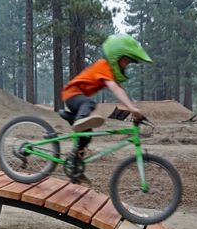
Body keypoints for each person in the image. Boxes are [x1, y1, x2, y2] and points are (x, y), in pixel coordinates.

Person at [58, 33, 154, 183]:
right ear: (117, 57)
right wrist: (132, 108)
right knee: (89, 104)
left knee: (86, 136)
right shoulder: (103, 65)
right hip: (71, 95)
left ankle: (75, 166)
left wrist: (133, 110)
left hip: (77, 100)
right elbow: (115, 89)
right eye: (126, 61)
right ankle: (79, 121)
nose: (126, 65)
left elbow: (120, 91)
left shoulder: (109, 73)